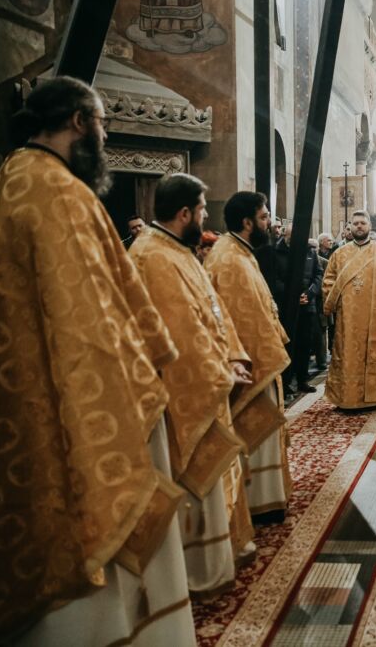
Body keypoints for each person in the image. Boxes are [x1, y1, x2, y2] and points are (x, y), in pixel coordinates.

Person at [0, 75, 194, 644]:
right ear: (78, 121)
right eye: (100, 124)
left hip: (27, 389)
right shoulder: (59, 193)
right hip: (89, 395)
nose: (102, 134)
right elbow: (93, 318)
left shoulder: (13, 181)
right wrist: (145, 380)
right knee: (95, 511)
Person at [129, 173, 254, 596]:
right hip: (184, 390)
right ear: (184, 213)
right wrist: (221, 371)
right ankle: (197, 570)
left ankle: (219, 557)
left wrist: (234, 355)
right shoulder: (152, 257)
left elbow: (212, 310)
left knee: (214, 474)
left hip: (210, 374)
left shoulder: (177, 251)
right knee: (194, 475)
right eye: (201, 210)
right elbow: (180, 332)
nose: (204, 218)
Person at [207, 192, 293, 524]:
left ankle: (268, 497)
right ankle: (261, 502)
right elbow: (243, 319)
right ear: (247, 223)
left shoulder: (240, 252)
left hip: (259, 353)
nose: (269, 222)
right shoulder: (230, 259)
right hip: (252, 362)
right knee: (257, 432)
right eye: (264, 217)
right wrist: (270, 351)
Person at [322, 210, 376, 410]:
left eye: (363, 223)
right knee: (348, 357)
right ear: (349, 227)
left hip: (375, 316)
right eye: (355, 223)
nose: (359, 226)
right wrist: (335, 303)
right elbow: (328, 282)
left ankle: (374, 397)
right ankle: (347, 398)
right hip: (348, 319)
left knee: (374, 355)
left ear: (369, 226)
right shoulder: (339, 254)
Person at [273, 222, 320, 395]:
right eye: (293, 237)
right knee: (288, 345)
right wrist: (292, 296)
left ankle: (302, 380)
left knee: (305, 345)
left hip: (307, 306)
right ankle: (285, 383)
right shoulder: (276, 252)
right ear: (286, 236)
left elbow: (318, 275)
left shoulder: (310, 252)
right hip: (287, 308)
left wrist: (310, 293)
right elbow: (275, 280)